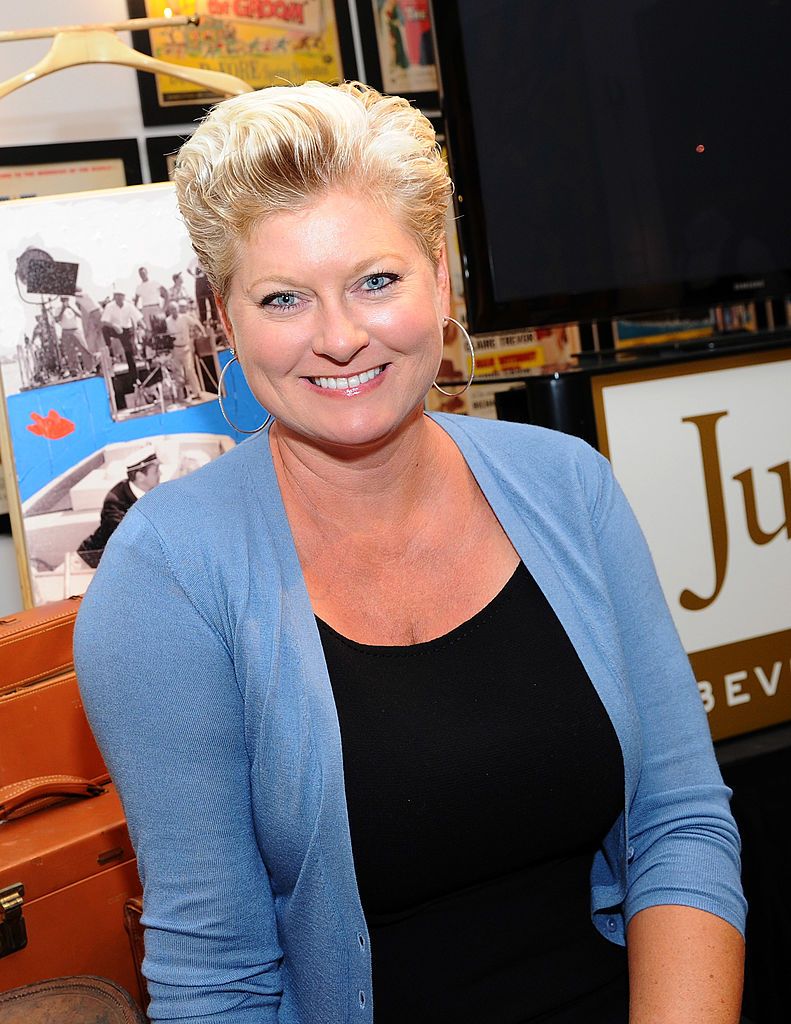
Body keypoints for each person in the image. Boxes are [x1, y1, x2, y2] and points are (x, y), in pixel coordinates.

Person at [74, 81, 746, 1024]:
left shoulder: (567, 485)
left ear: (440, 276)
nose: (340, 337)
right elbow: (216, 978)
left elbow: (678, 822)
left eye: (376, 281)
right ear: (224, 318)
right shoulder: (169, 580)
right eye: (282, 297)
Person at [76, 447, 160, 568]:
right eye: (156, 471)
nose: (160, 474)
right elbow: (130, 539)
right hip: (94, 563)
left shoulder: (153, 491)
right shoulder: (114, 502)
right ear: (140, 476)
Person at [164, 299, 205, 401]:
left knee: (190, 370)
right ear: (169, 310)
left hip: (185, 348)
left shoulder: (185, 318)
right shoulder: (167, 322)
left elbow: (195, 323)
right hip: (175, 349)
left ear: (178, 309)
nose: (173, 311)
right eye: (171, 309)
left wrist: (203, 332)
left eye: (175, 309)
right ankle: (181, 396)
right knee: (178, 374)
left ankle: (197, 392)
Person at [100, 288, 143, 379]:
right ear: (114, 296)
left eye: (121, 295)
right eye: (117, 295)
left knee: (130, 354)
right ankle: (110, 351)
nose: (119, 298)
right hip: (114, 329)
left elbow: (138, 318)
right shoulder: (109, 306)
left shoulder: (129, 306)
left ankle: (135, 379)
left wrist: (146, 328)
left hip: (127, 330)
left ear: (124, 296)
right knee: (104, 329)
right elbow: (104, 321)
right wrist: (114, 325)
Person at [134, 266, 168, 335]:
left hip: (156, 307)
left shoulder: (155, 283)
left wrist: (164, 308)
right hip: (145, 309)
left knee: (160, 328)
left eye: (143, 273)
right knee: (149, 331)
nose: (142, 275)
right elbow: (136, 301)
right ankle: (152, 345)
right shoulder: (139, 287)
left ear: (147, 272)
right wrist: (137, 313)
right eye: (140, 274)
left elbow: (166, 293)